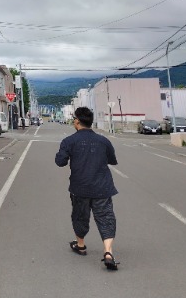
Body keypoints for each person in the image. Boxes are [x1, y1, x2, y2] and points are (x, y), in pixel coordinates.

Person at [55, 106, 119, 270]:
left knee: (80, 216)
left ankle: (81, 245)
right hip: (102, 187)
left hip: (80, 187)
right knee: (105, 218)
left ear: (77, 121)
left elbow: (60, 162)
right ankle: (108, 252)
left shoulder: (69, 141)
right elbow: (112, 159)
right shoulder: (103, 141)